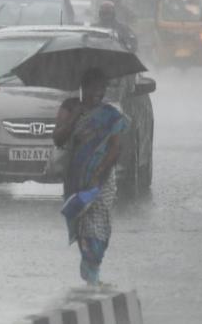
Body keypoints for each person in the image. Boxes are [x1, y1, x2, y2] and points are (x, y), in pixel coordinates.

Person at [53, 69, 127, 287]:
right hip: (75, 177)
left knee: (99, 227)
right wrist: (74, 118)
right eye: (94, 87)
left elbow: (115, 149)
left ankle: (92, 267)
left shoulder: (110, 115)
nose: (98, 92)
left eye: (102, 87)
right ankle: (91, 274)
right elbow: (57, 138)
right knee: (82, 225)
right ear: (83, 87)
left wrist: (97, 174)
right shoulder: (70, 107)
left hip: (102, 180)